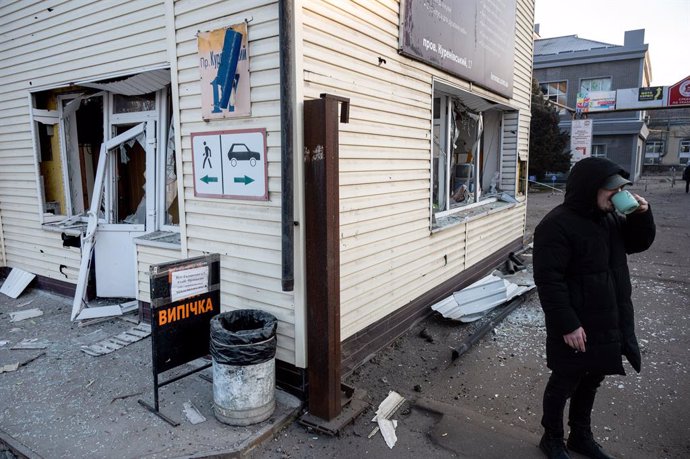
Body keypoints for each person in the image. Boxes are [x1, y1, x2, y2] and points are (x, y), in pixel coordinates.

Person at [533, 157, 656, 459]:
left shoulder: (610, 218)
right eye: (611, 190)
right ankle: (552, 437)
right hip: (576, 323)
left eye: (620, 191)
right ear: (590, 188)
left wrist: (642, 215)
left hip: (606, 317)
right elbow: (549, 281)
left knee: (592, 377)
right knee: (564, 380)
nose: (617, 196)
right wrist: (567, 324)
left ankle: (580, 435)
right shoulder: (555, 225)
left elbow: (638, 243)